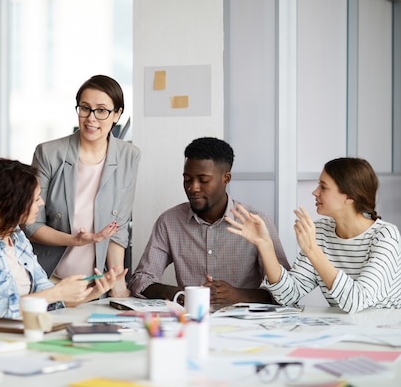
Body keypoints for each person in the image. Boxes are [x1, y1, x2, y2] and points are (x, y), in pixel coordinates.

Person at [0, 158, 127, 319]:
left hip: (25, 330)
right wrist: (56, 292)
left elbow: (46, 295)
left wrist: (93, 292)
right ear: (13, 204)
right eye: (36, 198)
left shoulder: (18, 238)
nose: (42, 203)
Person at [225, 157, 401, 313]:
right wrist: (265, 245)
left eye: (323, 187)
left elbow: (357, 300)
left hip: (386, 332)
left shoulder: (385, 236)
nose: (315, 192)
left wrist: (312, 250)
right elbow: (287, 295)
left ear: (350, 197)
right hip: (346, 329)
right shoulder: (322, 232)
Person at [128, 137, 291, 305]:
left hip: (246, 324)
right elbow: (141, 280)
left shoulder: (257, 222)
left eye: (203, 180)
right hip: (191, 321)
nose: (193, 188)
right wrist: (180, 293)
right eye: (187, 179)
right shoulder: (169, 222)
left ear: (226, 178)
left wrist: (239, 296)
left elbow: (286, 290)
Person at [22, 74, 140, 297]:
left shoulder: (128, 156)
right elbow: (32, 225)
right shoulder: (48, 153)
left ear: (117, 114)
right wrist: (74, 240)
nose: (91, 118)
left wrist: (117, 286)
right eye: (85, 108)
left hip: (95, 286)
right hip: (47, 280)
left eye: (102, 110)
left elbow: (118, 228)